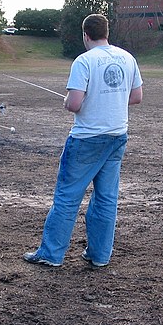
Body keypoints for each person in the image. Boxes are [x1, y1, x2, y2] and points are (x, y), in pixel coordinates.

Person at [23, 14, 143, 268]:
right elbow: (136, 97)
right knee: (106, 198)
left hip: (86, 138)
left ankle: (51, 254)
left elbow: (74, 104)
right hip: (117, 136)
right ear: (106, 32)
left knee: (67, 197)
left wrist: (68, 101)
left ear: (85, 35)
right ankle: (100, 255)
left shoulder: (84, 61)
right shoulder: (128, 58)